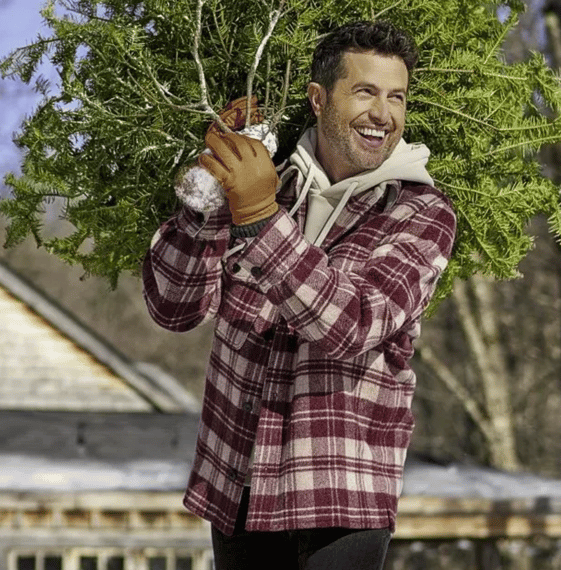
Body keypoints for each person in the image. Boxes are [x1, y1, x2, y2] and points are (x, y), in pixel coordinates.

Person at [142, 20, 456, 570]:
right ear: (318, 98)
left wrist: (261, 221)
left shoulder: (420, 213)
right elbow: (172, 306)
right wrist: (204, 193)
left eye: (396, 97)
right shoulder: (264, 182)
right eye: (365, 92)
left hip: (338, 493)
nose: (383, 114)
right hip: (236, 484)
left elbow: (354, 324)